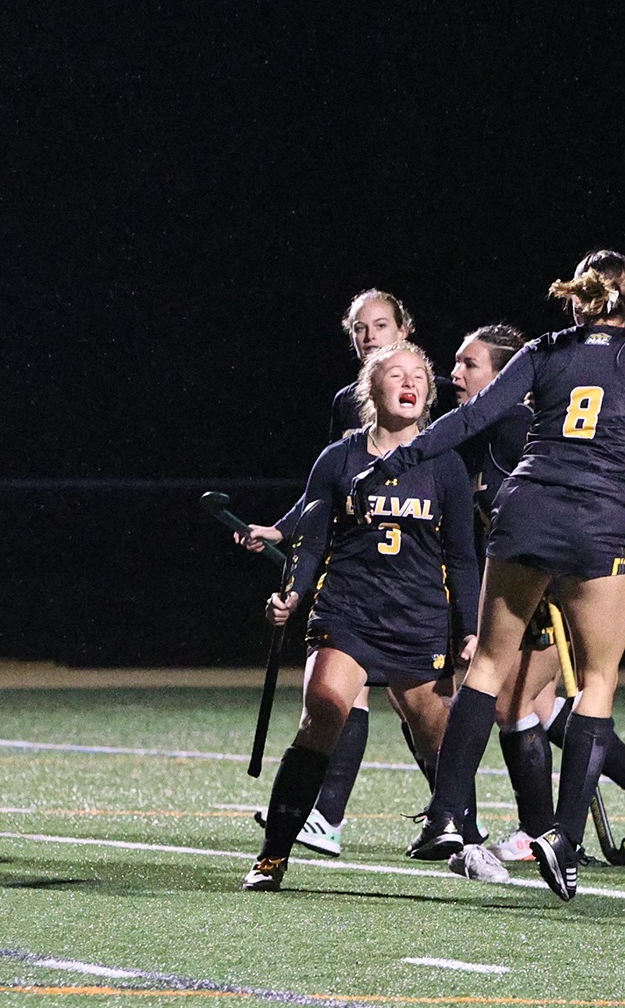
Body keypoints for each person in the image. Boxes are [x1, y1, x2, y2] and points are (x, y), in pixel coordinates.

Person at [351, 250, 625, 901]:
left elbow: (473, 417)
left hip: (526, 510)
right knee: (597, 680)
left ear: (576, 300)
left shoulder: (544, 349)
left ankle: (449, 812)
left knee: (485, 671)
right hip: (598, 521)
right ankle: (562, 836)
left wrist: (403, 457)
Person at [442, 326, 625, 877]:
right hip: (533, 574)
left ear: (503, 377)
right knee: (521, 698)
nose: (457, 375)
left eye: (471, 365)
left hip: (563, 577)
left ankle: (544, 827)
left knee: (515, 696)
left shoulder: (523, 427)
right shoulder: (487, 431)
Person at [242, 341, 480, 890]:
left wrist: (469, 628)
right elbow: (312, 539)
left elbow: (463, 556)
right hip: (347, 609)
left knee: (437, 733)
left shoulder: (444, 463)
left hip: (418, 618)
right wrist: (294, 595)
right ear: (371, 389)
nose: (410, 383)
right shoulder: (339, 459)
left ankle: (463, 834)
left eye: (419, 375)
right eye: (396, 374)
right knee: (324, 706)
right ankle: (273, 855)